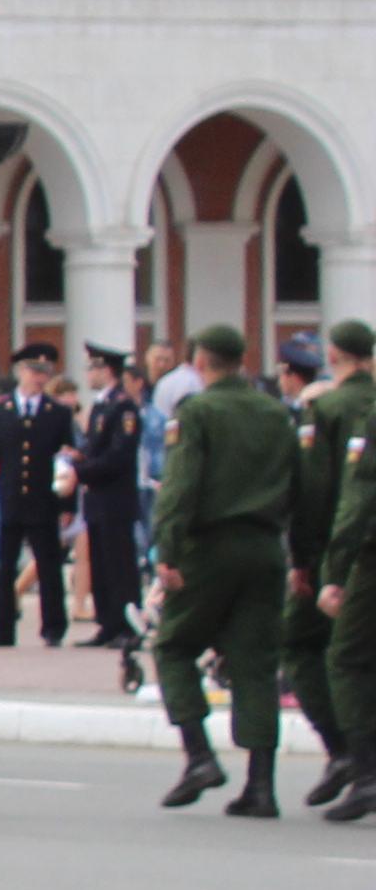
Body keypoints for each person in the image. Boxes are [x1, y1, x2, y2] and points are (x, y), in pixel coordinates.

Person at [143, 321, 298, 816]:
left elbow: (181, 485)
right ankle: (261, 785)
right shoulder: (276, 413)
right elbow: (301, 483)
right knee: (255, 661)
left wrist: (166, 550)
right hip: (266, 546)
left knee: (173, 645)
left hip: (209, 548)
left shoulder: (199, 411)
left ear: (201, 362)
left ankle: (199, 755)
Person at [296, 321, 376, 813]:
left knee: (340, 657)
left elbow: (350, 499)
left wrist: (329, 570)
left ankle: (360, 766)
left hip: (358, 554)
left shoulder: (331, 408)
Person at [0, 344, 79, 649]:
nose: (40, 378)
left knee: (48, 566)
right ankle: (3, 627)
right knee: (4, 566)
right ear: (21, 371)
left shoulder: (58, 413)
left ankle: (53, 627)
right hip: (8, 499)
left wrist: (66, 504)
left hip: (43, 500)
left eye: (45, 373)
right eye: (35, 371)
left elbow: (66, 461)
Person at [74, 347, 148, 656]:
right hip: (97, 499)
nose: (88, 374)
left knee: (120, 565)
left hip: (115, 499)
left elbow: (119, 455)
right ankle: (107, 622)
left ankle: (126, 626)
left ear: (107, 370)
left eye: (93, 368)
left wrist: (81, 470)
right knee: (101, 565)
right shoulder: (102, 405)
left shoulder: (123, 407)